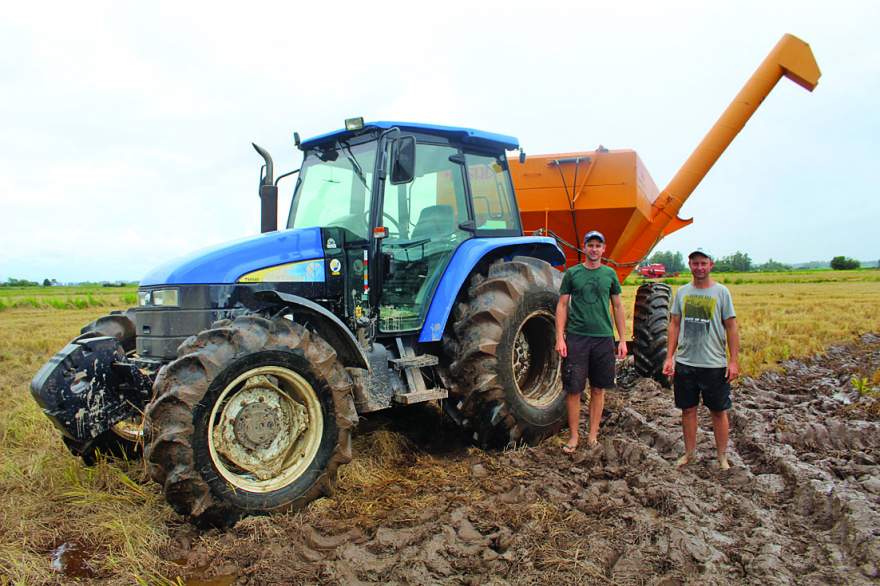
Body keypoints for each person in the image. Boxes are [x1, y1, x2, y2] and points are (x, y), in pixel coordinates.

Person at [662, 248, 740, 470]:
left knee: (718, 411)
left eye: (703, 263)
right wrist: (670, 357)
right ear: (690, 265)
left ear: (710, 265)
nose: (699, 267)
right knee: (688, 410)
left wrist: (733, 361)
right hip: (686, 362)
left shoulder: (721, 293)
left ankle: (722, 457)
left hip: (714, 364)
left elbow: (731, 327)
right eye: (695, 263)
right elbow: (675, 324)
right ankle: (689, 453)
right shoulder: (683, 292)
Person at [556, 230, 628, 453]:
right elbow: (562, 305)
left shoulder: (610, 275)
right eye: (590, 245)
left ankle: (593, 435)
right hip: (577, 338)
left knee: (598, 389)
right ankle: (574, 436)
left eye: (598, 245)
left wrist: (622, 340)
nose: (594, 249)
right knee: (574, 389)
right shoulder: (572, 274)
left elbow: (617, 306)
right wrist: (560, 337)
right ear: (584, 248)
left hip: (603, 339)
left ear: (603, 249)